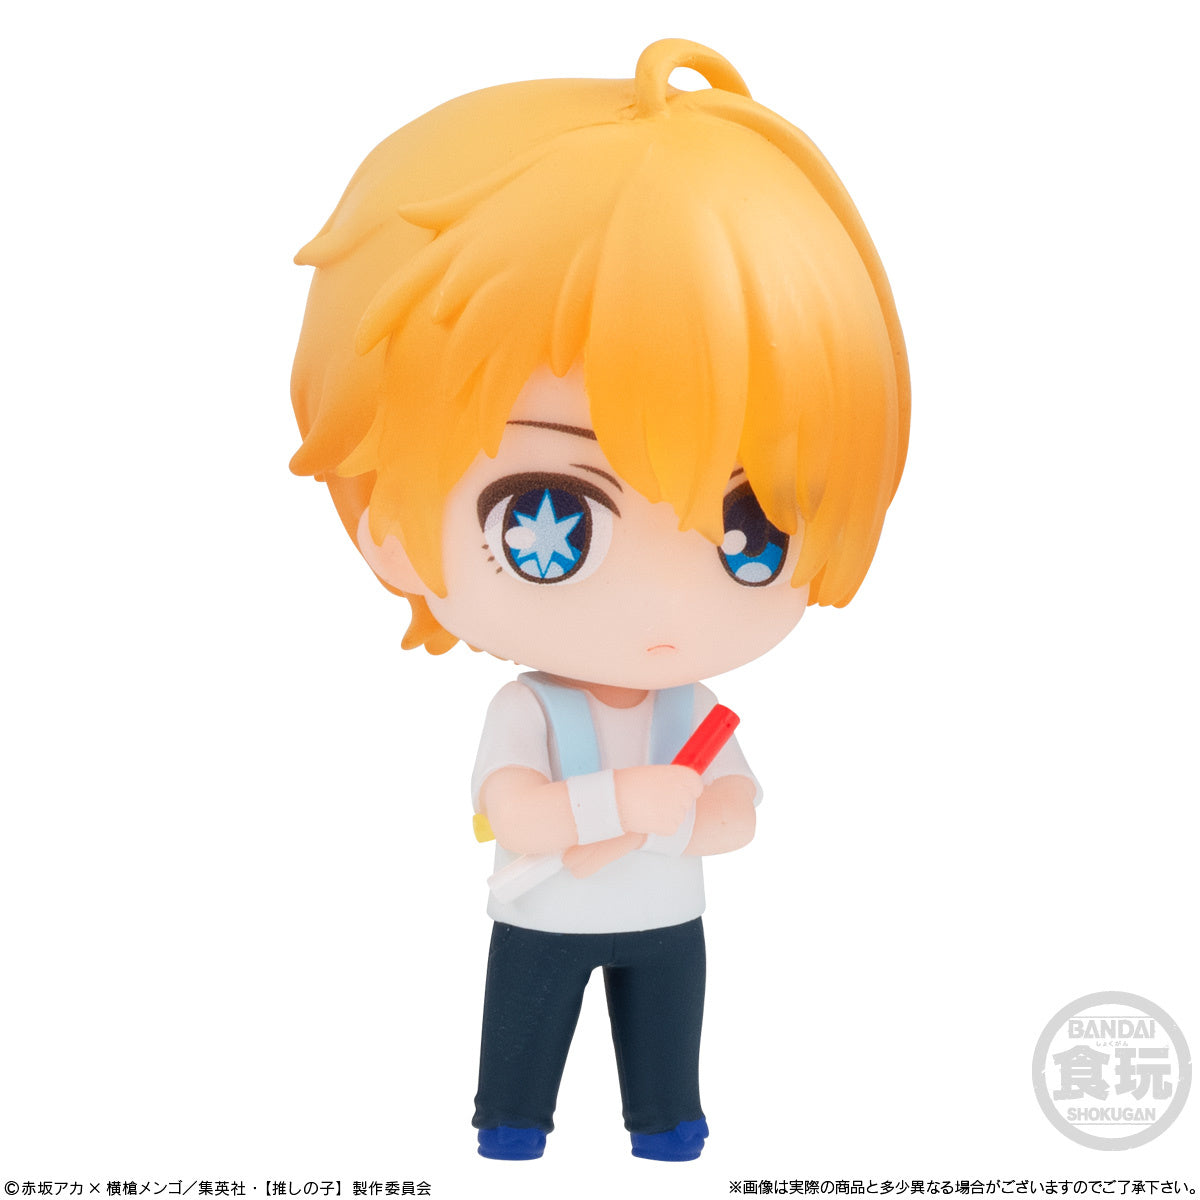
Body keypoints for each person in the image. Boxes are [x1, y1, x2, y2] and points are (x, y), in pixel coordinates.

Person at [289, 38, 910, 1160]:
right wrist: (627, 798)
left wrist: (701, 817)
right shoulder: (528, 710)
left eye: (753, 529)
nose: (668, 598)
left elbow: (737, 811)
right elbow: (514, 813)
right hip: (545, 912)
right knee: (522, 1050)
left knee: (668, 1052)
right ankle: (512, 1133)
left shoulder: (696, 709)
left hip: (668, 918)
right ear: (386, 522)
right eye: (553, 519)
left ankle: (667, 1130)